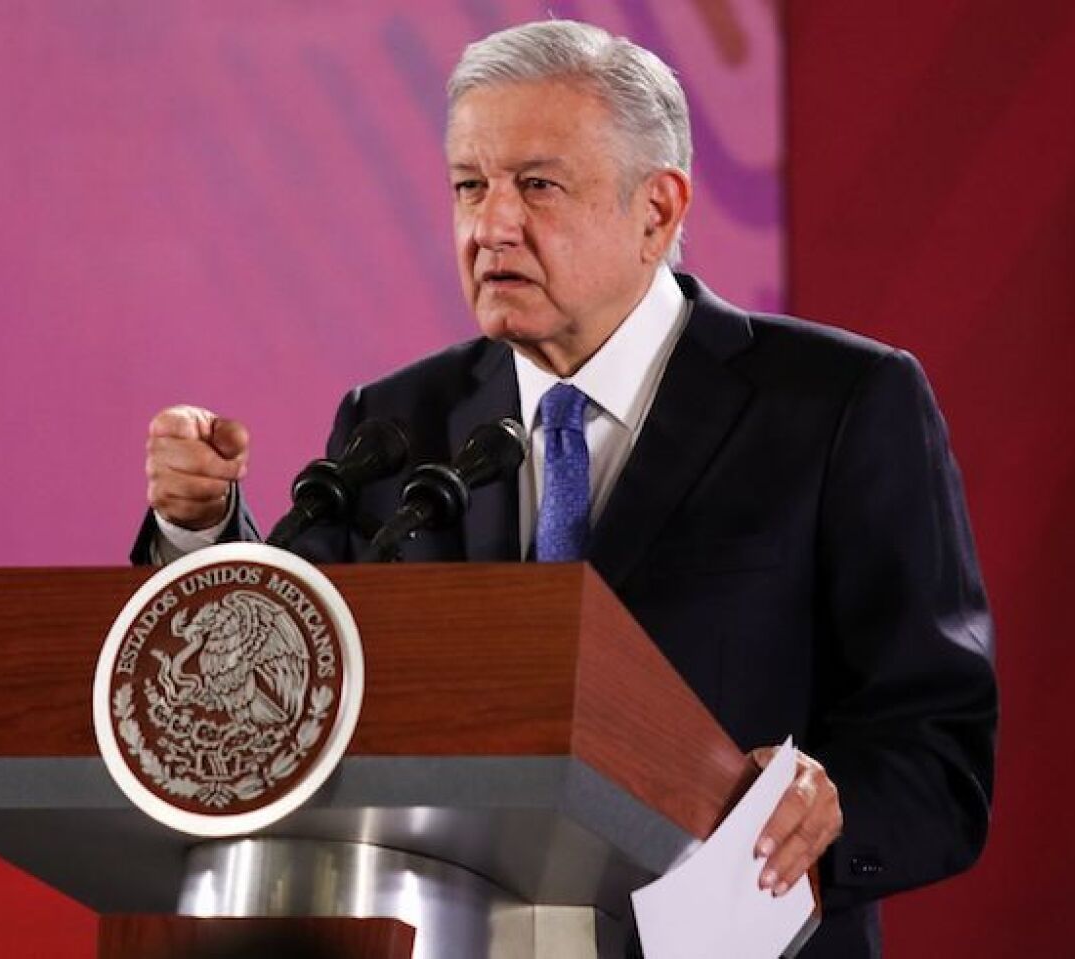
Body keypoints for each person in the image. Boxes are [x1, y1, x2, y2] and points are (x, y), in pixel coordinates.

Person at [132, 20, 996, 958]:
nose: (489, 225)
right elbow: (293, 682)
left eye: (537, 185)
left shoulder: (838, 405)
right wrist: (202, 530)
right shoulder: (396, 423)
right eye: (470, 185)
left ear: (657, 211)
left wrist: (829, 813)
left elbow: (938, 746)